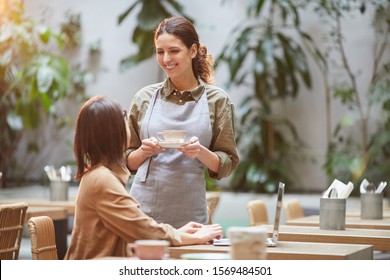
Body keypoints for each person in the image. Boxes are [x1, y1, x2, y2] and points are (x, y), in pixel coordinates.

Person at [64, 95, 222, 260]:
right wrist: (194, 237)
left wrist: (177, 233)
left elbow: (137, 226)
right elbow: (142, 230)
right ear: (114, 132)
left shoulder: (99, 174)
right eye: (124, 120)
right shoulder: (102, 179)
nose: (128, 126)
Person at [126, 16, 239, 228]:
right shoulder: (144, 97)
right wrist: (143, 151)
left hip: (191, 213)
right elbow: (125, 160)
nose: (166, 58)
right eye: (160, 52)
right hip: (143, 213)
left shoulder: (217, 101)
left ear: (193, 51)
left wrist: (200, 152)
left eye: (174, 50)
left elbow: (227, 162)